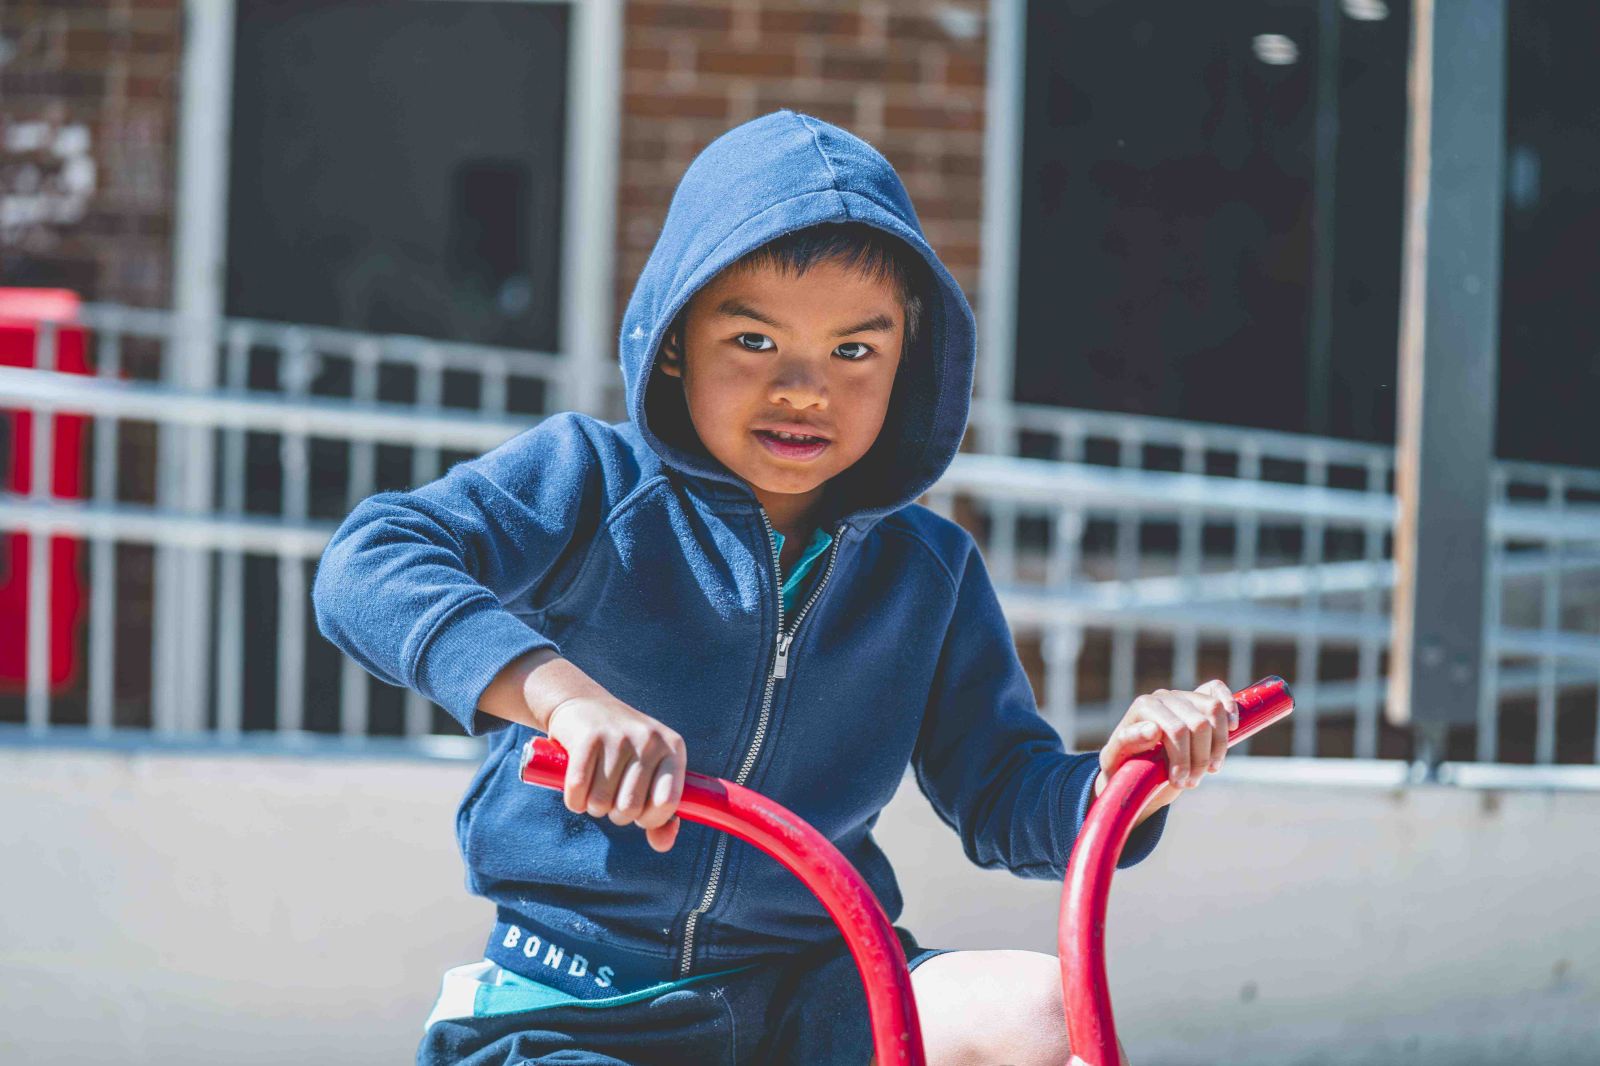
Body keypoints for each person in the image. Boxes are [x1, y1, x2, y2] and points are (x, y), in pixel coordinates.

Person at [313, 109, 1239, 1066]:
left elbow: (1007, 795)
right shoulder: (590, 484)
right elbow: (369, 561)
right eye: (755, 343)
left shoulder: (930, 572)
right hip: (576, 994)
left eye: (853, 352)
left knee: (1043, 1012)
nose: (804, 389)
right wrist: (564, 700)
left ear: (905, 366)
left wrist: (1127, 775)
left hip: (816, 989)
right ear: (675, 342)